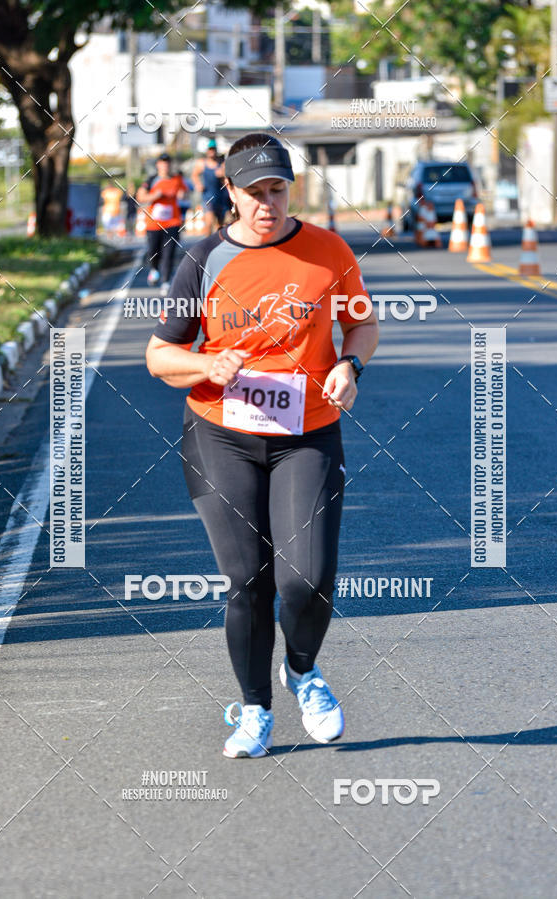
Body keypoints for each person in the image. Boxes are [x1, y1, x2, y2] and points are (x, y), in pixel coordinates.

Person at [145, 133, 379, 759]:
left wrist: (351, 365)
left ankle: (302, 670)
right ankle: (255, 711)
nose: (267, 203)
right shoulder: (202, 259)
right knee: (248, 578)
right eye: (253, 192)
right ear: (229, 192)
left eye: (277, 189)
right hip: (221, 435)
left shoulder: (328, 251)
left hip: (307, 435)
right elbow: (159, 356)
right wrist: (206, 365)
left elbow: (362, 324)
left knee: (308, 578)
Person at [136, 152, 187, 294]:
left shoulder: (177, 179)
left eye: (167, 163)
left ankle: (165, 281)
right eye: (162, 163)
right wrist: (154, 196)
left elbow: (184, 192)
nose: (165, 166)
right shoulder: (151, 180)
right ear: (158, 165)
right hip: (153, 224)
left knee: (169, 253)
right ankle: (154, 269)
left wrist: (182, 194)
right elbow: (140, 197)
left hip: (172, 223)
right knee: (153, 251)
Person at [192, 139, 228, 235]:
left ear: (216, 150)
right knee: (209, 221)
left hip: (220, 197)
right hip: (208, 197)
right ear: (207, 151)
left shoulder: (222, 163)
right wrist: (198, 184)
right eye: (210, 149)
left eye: (213, 149)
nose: (211, 152)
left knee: (221, 224)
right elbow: (194, 175)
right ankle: (207, 241)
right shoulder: (202, 163)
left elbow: (228, 177)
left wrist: (222, 175)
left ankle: (218, 241)